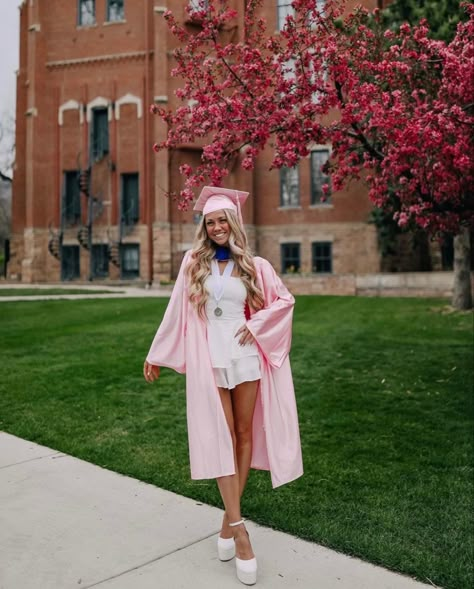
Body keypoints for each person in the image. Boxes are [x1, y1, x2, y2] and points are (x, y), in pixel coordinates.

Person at [143, 186, 303, 586]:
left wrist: (256, 325)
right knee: (219, 435)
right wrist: (156, 353)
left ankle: (227, 521)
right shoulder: (192, 264)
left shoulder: (255, 265)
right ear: (205, 226)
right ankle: (240, 529)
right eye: (210, 222)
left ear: (233, 223)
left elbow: (285, 302)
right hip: (209, 357)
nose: (216, 227)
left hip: (244, 356)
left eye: (222, 221)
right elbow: (177, 308)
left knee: (243, 434)